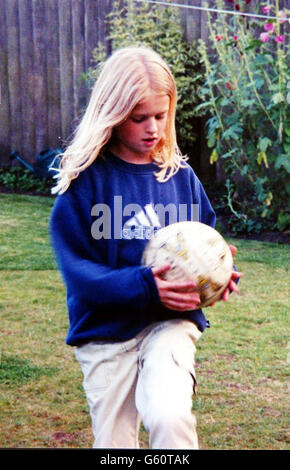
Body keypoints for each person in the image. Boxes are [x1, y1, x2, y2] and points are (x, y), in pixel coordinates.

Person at [50, 46, 241, 449]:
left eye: (160, 115)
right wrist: (143, 285)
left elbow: (206, 239)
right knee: (115, 446)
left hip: (170, 323)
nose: (153, 127)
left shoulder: (180, 176)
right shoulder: (86, 183)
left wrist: (218, 275)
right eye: (139, 118)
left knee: (169, 416)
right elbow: (78, 273)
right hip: (106, 333)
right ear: (113, 113)